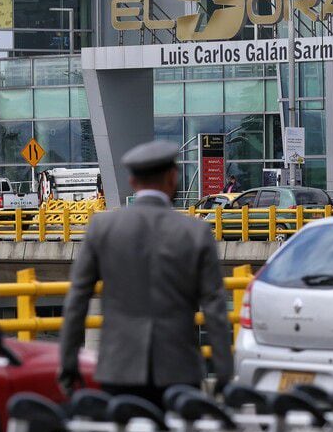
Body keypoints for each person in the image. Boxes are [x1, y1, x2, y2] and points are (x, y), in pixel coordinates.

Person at [59, 140, 233, 408]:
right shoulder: (195, 232)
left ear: (131, 180)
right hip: (178, 369)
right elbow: (215, 307)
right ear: (172, 177)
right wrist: (224, 372)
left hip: (119, 368)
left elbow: (77, 300)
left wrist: (68, 363)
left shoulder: (102, 227)